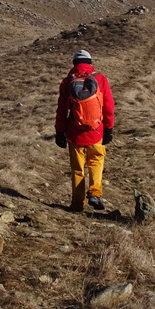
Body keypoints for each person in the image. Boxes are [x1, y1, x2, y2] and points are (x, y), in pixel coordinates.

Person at [54, 49, 115, 212]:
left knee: (77, 169)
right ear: (90, 63)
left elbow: (61, 110)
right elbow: (108, 107)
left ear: (74, 64)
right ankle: (95, 193)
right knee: (96, 161)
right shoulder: (101, 79)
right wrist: (108, 128)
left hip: (74, 133)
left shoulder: (67, 82)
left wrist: (59, 131)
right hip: (97, 131)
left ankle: (77, 204)